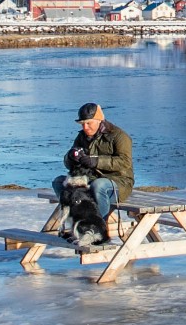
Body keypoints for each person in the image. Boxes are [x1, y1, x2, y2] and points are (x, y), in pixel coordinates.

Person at [53, 102, 134, 245]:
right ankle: (76, 222)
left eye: (88, 123)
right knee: (59, 182)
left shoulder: (119, 136)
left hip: (119, 182)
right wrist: (70, 157)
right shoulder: (82, 137)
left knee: (99, 185)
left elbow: (125, 162)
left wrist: (95, 161)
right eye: (82, 124)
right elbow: (68, 164)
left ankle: (98, 229)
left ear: (99, 120)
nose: (85, 127)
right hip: (90, 180)